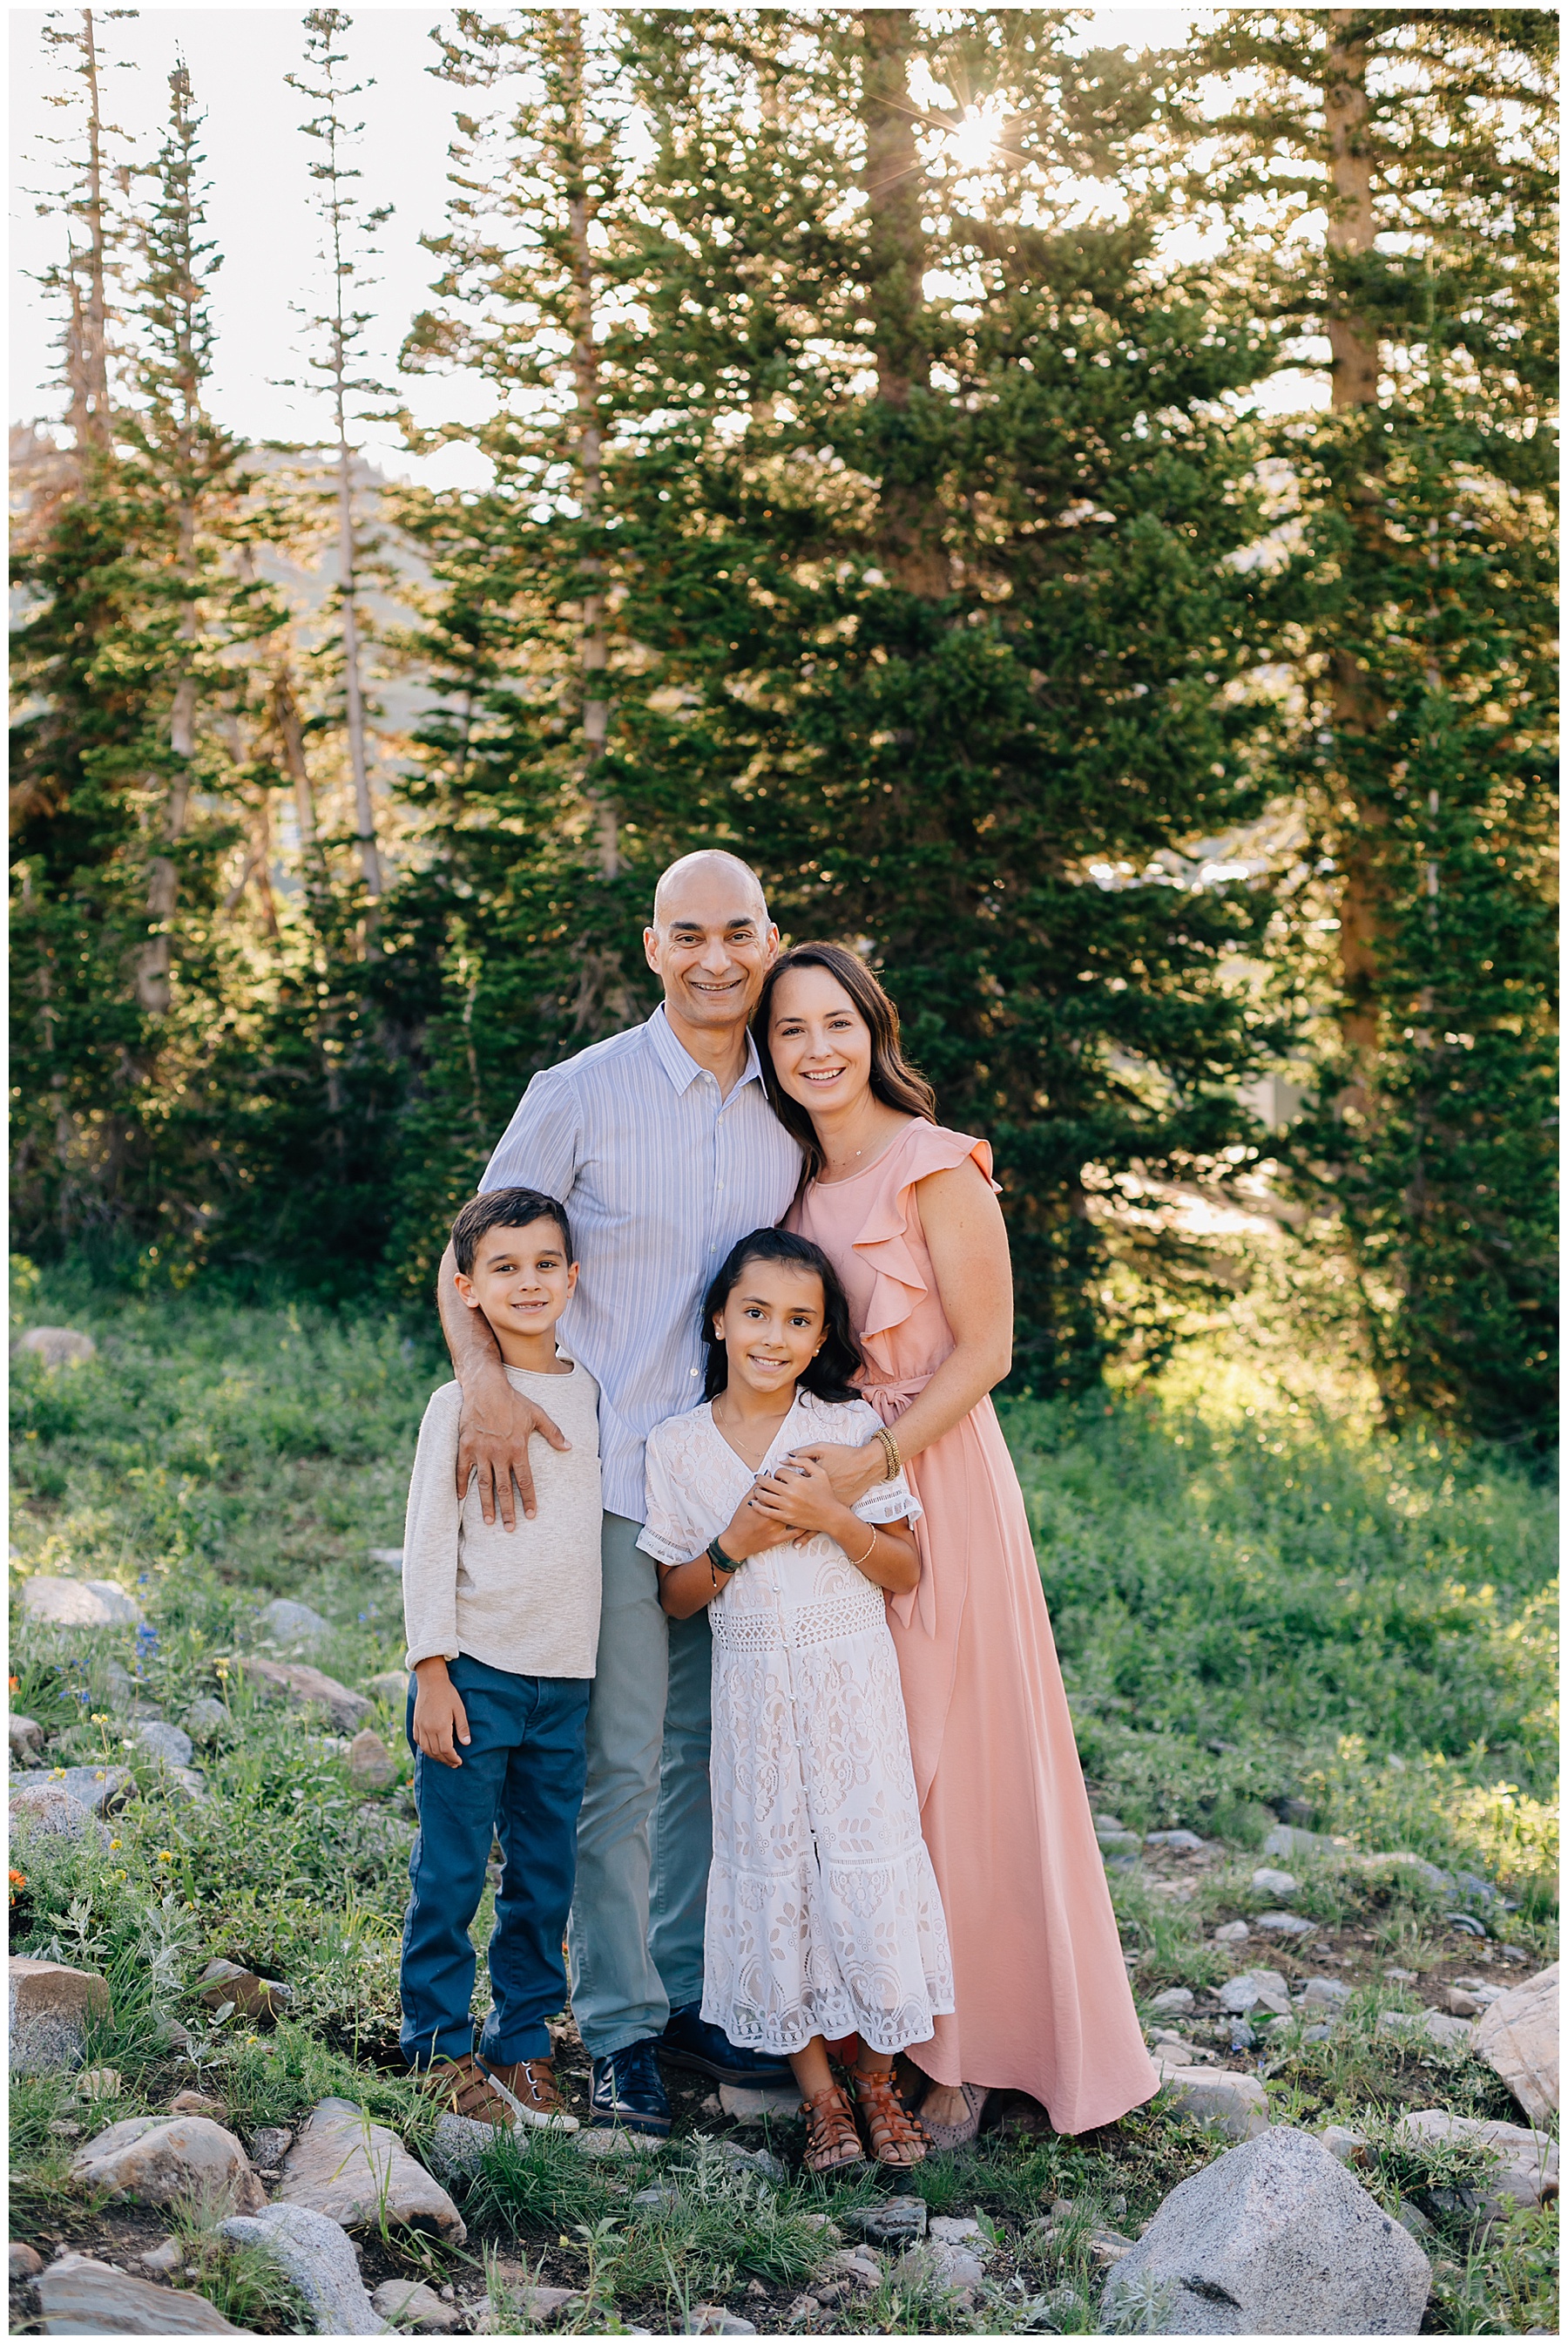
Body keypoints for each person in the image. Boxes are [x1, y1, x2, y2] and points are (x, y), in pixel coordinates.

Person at [754, 941, 1159, 2145]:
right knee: (865, 1763)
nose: (817, 1049)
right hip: (835, 1492)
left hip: (939, 1479)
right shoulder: (791, 1187)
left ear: (874, 1028)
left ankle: (977, 2048)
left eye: (836, 1022)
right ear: (769, 1053)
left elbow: (985, 1353)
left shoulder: (938, 1167)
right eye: (790, 1031)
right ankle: (877, 2024)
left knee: (963, 1762)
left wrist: (875, 1467)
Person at [435, 852, 803, 2136]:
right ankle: (625, 2027)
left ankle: (693, 1993)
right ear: (653, 946)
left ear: (771, 939)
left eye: (738, 933)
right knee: (626, 1761)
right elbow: (467, 1245)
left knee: (711, 1754)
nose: (716, 958)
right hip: (610, 1476)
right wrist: (483, 1382)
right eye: (689, 934)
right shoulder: (579, 1090)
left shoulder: (792, 1101)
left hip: (742, 1486)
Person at [644, 1228, 950, 2172]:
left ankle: (879, 2079)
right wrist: (736, 1540)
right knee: (776, 1870)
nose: (775, 1336)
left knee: (864, 1861)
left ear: (822, 1338)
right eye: (757, 1313)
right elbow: (677, 1595)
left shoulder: (848, 1431)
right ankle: (819, 2094)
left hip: (850, 1683)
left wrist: (830, 1517)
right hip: (753, 1693)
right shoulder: (678, 1445)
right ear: (719, 1319)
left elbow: (904, 1565)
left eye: (800, 1320)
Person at [398, 1187, 602, 2130]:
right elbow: (430, 1538)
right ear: (468, 1288)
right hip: (475, 1670)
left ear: (574, 1274)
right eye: (504, 1267)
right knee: (448, 1870)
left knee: (542, 1875)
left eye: (545, 1263)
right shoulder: (458, 1404)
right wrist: (429, 1667)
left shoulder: (595, 1392)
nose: (528, 1281)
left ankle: (523, 2039)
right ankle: (436, 2045)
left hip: (566, 1679)